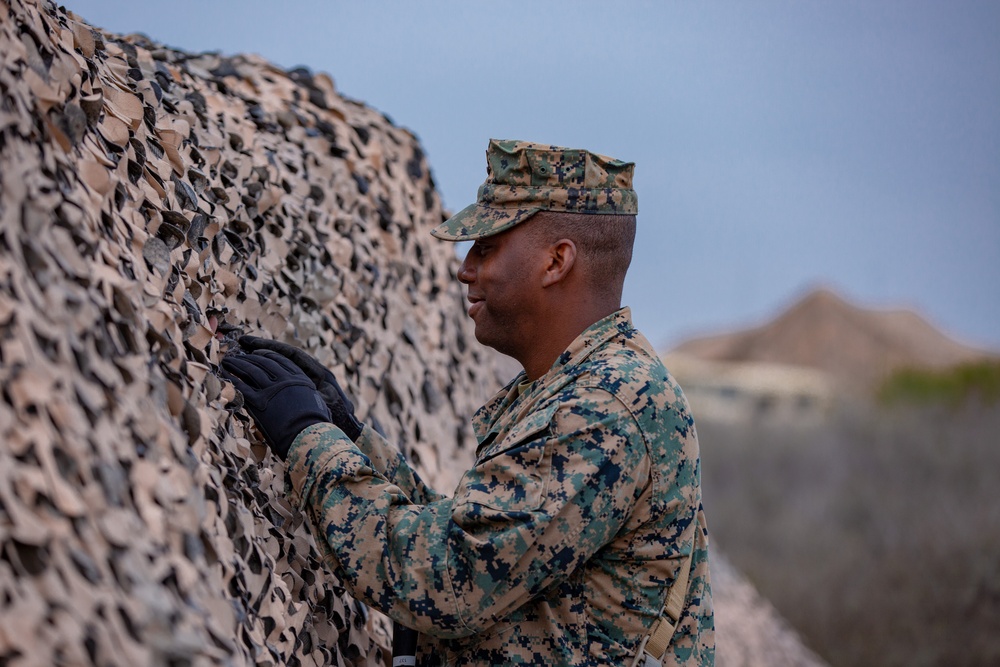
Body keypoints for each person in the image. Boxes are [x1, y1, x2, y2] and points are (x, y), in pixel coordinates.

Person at [222, 139, 715, 666]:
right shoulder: (587, 383)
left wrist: (307, 439)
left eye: (487, 247)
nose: (465, 268)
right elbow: (485, 533)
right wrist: (348, 433)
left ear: (556, 261)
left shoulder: (604, 407)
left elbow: (443, 578)